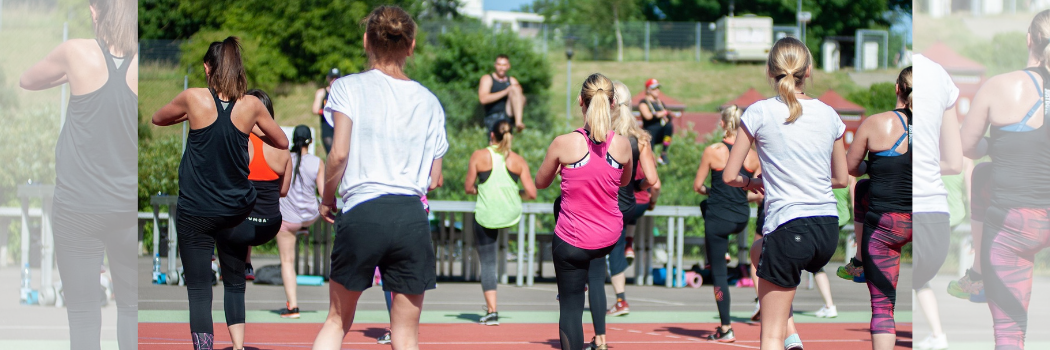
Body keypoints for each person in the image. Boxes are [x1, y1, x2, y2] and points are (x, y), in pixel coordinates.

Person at [310, 6, 447, 350]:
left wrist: (328, 198)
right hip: (410, 217)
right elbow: (434, 178)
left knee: (337, 321)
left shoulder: (346, 87)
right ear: (411, 45)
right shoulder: (430, 102)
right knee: (405, 335)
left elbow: (338, 153)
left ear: (366, 39)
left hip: (363, 211)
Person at [151, 37, 289, 350]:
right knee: (234, 281)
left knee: (199, 289)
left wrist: (188, 116)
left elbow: (158, 118)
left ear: (207, 68)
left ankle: (204, 347)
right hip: (233, 211)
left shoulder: (193, 98)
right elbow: (281, 141)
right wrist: (248, 127)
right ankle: (238, 344)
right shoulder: (251, 106)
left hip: (196, 209)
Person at [19, 1, 137, 349]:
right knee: (131, 310)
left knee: (84, 316)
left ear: (94, 12)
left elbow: (27, 80)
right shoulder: (139, 63)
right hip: (125, 210)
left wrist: (68, 75)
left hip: (77, 208)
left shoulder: (77, 53)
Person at [722, 37, 848, 350]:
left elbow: (728, 175)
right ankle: (792, 336)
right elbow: (843, 178)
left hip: (790, 225)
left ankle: (786, 336)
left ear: (770, 71)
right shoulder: (830, 115)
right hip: (827, 229)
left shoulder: (759, 112)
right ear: (809, 71)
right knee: (757, 252)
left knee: (770, 335)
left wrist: (750, 183)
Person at [958, 11, 1050, 349]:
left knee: (1011, 333)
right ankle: (979, 272)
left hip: (1014, 224)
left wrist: (999, 143)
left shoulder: (999, 86)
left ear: (1030, 39)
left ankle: (979, 270)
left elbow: (966, 146)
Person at [536, 73, 632, 350]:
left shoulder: (563, 143)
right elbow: (623, 182)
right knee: (569, 215)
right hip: (607, 237)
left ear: (581, 100)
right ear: (613, 103)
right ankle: (600, 331)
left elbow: (541, 183)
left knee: (570, 308)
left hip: (574, 241)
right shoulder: (623, 145)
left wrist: (564, 168)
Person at [845, 66, 913, 350]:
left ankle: (859, 258)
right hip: (923, 220)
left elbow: (850, 168)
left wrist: (875, 163)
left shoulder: (876, 123)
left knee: (883, 307)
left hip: (885, 225)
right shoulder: (934, 125)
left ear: (897, 88)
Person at [693, 104, 761, 342]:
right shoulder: (752, 156)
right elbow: (759, 192)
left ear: (722, 124)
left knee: (719, 275)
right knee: (711, 212)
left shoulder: (713, 151)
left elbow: (698, 186)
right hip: (741, 216)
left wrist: (714, 192)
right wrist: (740, 195)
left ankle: (725, 328)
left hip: (718, 219)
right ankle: (724, 253)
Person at [911, 52, 963, 350]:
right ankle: (937, 335)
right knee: (920, 281)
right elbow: (955, 162)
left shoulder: (905, 72)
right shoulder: (941, 75)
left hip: (905, 211)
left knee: (887, 288)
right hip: (936, 216)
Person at [464, 119, 538, 326]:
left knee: (488, 262)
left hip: (487, 215)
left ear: (491, 135)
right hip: (510, 214)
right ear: (510, 136)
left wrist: (482, 190)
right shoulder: (518, 160)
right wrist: (513, 193)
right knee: (500, 248)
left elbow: (468, 187)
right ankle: (492, 310)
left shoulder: (479, 156)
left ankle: (492, 311)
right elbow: (531, 193)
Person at [604, 81, 660, 318]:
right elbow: (652, 178)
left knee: (592, 247)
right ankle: (620, 300)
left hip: (605, 203)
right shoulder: (640, 138)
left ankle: (584, 284)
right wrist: (638, 185)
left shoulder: (603, 135)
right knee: (616, 249)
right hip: (628, 203)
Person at [242, 90, 292, 281]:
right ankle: (246, 263)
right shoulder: (282, 146)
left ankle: (240, 263)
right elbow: (284, 191)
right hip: (271, 224)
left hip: (243, 223)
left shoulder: (241, 141)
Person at [275, 127, 324, 319]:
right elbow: (322, 191)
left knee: (287, 262)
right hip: (310, 216)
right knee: (312, 211)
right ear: (310, 142)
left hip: (287, 219)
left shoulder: (285, 159)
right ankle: (304, 229)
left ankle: (293, 307)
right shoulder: (317, 162)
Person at [478, 54, 527, 131]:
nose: (501, 68)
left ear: (508, 66)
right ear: (495, 65)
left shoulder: (512, 80)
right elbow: (483, 99)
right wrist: (506, 91)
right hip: (493, 117)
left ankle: (518, 122)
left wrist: (520, 96)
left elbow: (522, 102)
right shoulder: (487, 79)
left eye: (504, 65)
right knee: (495, 143)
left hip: (508, 117)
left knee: (515, 88)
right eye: (499, 64)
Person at [638, 78, 678, 165]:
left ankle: (663, 153)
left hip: (660, 132)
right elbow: (647, 116)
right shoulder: (644, 102)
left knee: (669, 126)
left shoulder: (660, 103)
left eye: (658, 88)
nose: (657, 90)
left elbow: (665, 117)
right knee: (649, 158)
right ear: (648, 90)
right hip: (650, 132)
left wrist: (668, 116)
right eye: (654, 88)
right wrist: (664, 112)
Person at [313, 68, 340, 154]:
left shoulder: (342, 92)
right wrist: (328, 111)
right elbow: (315, 110)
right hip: (327, 126)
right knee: (331, 152)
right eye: (332, 78)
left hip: (339, 125)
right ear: (328, 78)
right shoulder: (322, 92)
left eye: (337, 78)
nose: (334, 80)